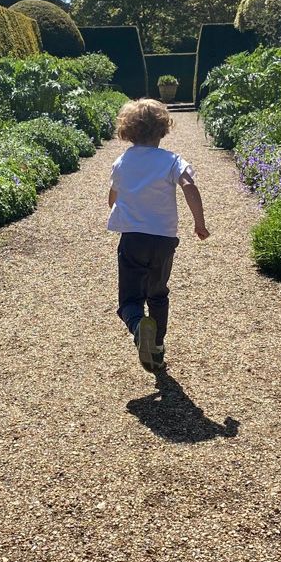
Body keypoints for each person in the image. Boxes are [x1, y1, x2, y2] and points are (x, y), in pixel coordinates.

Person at [107, 98, 210, 373]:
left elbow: (112, 196)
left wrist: (121, 208)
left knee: (129, 301)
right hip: (164, 239)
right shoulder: (172, 161)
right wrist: (199, 222)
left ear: (127, 130)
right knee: (158, 293)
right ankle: (158, 347)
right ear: (163, 129)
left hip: (132, 239)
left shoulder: (121, 162)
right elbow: (190, 186)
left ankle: (140, 328)